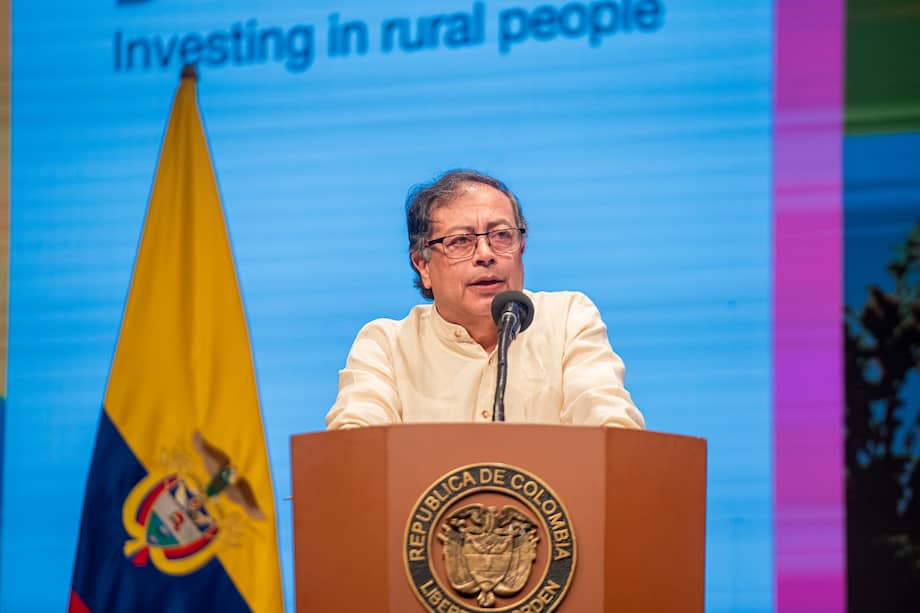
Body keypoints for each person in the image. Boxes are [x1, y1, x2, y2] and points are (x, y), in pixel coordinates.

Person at [326, 170, 644, 430]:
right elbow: (354, 451)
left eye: (502, 236)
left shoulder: (567, 320)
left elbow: (612, 431)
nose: (485, 255)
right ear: (422, 265)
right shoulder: (387, 347)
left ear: (521, 249)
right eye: (460, 241)